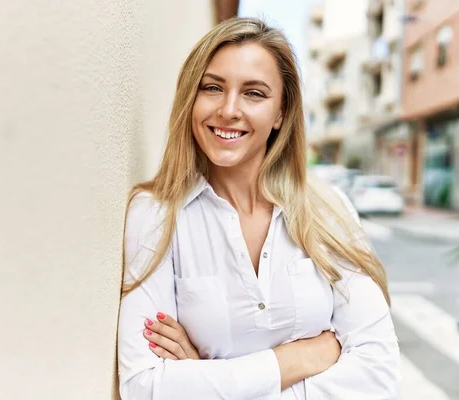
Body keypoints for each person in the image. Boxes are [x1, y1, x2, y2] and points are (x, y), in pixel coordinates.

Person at [117, 17, 400, 399]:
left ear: (281, 113)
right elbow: (144, 386)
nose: (229, 109)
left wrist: (208, 378)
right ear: (190, 98)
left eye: (254, 93)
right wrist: (295, 360)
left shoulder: (329, 209)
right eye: (213, 88)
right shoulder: (155, 215)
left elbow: (377, 379)